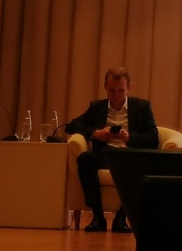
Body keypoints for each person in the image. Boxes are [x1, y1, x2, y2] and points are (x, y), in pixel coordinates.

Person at [66, 67, 159, 233]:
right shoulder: (97, 107)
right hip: (105, 154)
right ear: (105, 87)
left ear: (128, 88)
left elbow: (153, 138)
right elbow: (72, 125)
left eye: (121, 91)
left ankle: (122, 217)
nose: (116, 95)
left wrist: (130, 138)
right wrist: (96, 134)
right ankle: (98, 216)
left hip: (129, 155)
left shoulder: (142, 107)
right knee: (85, 159)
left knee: (144, 165)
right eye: (112, 90)